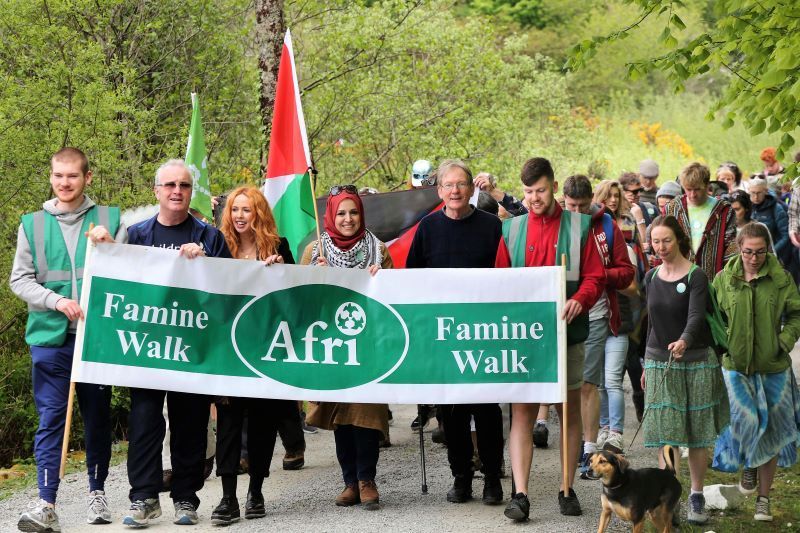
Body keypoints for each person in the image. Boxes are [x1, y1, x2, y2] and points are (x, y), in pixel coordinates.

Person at [10, 148, 126, 532]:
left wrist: (113, 248)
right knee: (51, 419)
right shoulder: (32, 224)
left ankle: (97, 492)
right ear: (51, 177)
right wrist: (56, 300)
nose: (64, 183)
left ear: (87, 178)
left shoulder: (111, 219)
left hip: (95, 337)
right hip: (49, 338)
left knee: (96, 416)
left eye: (72, 176)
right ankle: (47, 502)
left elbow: (132, 273)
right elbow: (20, 280)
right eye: (58, 176)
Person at [115, 159, 231, 527]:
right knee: (146, 422)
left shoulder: (209, 236)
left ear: (190, 191)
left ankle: (186, 497)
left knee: (190, 425)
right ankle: (144, 497)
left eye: (183, 185)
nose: (176, 192)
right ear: (157, 191)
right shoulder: (136, 235)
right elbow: (119, 285)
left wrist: (206, 262)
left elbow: (229, 288)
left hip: (192, 349)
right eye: (169, 186)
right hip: (148, 349)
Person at [496, 157, 604, 520]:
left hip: (568, 334)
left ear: (554, 186)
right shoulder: (511, 230)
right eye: (527, 192)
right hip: (524, 339)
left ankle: (566, 488)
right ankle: (520, 495)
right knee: (522, 411)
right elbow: (499, 281)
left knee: (567, 409)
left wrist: (580, 299)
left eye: (540, 190)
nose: (533, 198)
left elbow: (595, 276)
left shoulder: (579, 227)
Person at [407, 160, 505, 506]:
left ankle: (493, 477)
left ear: (471, 188)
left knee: (488, 410)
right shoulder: (428, 228)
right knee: (453, 413)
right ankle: (461, 477)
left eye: (461, 184)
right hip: (444, 334)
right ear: (439, 191)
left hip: (484, 334)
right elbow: (412, 280)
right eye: (448, 185)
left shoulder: (492, 226)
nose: (455, 191)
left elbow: (508, 276)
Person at [210, 186, 303, 524]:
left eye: (246, 210)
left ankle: (256, 492)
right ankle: (227, 498)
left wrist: (282, 270)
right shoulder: (218, 248)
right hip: (228, 350)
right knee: (229, 425)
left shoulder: (279, 247)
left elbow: (297, 298)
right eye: (234, 210)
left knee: (263, 423)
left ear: (259, 213)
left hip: (267, 349)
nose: (239, 216)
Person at [302, 184, 392, 511]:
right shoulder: (315, 252)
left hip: (368, 347)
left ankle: (368, 479)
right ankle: (349, 481)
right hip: (331, 347)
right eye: (341, 212)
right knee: (341, 416)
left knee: (365, 413)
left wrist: (382, 278)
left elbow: (396, 301)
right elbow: (299, 301)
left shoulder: (379, 250)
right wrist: (316, 276)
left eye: (353, 212)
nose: (348, 218)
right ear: (331, 215)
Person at [643, 215, 730, 525]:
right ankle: (669, 498)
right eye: (656, 241)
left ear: (679, 239)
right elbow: (650, 322)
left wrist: (684, 340)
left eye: (667, 240)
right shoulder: (651, 276)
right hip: (658, 361)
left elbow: (695, 317)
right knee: (667, 434)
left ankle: (695, 494)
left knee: (694, 435)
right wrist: (645, 362)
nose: (661, 247)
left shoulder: (696, 277)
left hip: (696, 361)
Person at [712, 222, 800, 522]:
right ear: (738, 247)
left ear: (767, 249)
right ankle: (749, 461)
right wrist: (722, 343)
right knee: (743, 420)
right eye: (748, 251)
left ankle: (763, 499)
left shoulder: (780, 277)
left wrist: (784, 341)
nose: (754, 258)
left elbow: (796, 313)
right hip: (735, 366)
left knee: (773, 431)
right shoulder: (725, 278)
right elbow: (713, 315)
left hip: (773, 367)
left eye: (760, 252)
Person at [561, 177, 634, 476]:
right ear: (563, 199)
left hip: (595, 314)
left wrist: (598, 274)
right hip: (561, 314)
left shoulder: (607, 226)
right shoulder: (558, 223)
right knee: (567, 387)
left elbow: (626, 272)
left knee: (587, 384)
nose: (577, 211)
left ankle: (589, 448)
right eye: (571, 205)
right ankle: (576, 440)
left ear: (592, 199)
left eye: (582, 205)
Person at [664, 162, 737, 281]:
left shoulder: (723, 210)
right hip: (679, 278)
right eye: (688, 189)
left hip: (713, 278)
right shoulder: (673, 208)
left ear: (707, 186)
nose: (692, 195)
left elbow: (730, 247)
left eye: (697, 189)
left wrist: (728, 278)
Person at [748, 177, 789, 264]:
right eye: (753, 193)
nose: (755, 197)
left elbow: (785, 235)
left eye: (759, 193)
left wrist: (771, 252)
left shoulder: (776, 208)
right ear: (748, 191)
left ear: (766, 191)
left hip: (773, 256)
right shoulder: (746, 207)